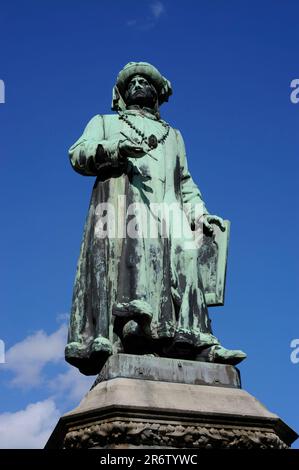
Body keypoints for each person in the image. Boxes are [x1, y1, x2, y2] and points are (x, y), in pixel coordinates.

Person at [65, 62, 246, 375]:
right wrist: (115, 149)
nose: (137, 84)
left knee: (189, 264)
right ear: (122, 93)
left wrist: (200, 213)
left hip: (170, 210)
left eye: (144, 80)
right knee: (136, 269)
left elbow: (186, 181)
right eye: (130, 81)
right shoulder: (105, 122)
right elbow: (78, 155)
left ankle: (199, 341)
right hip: (125, 209)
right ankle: (137, 334)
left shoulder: (173, 135)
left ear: (158, 92)